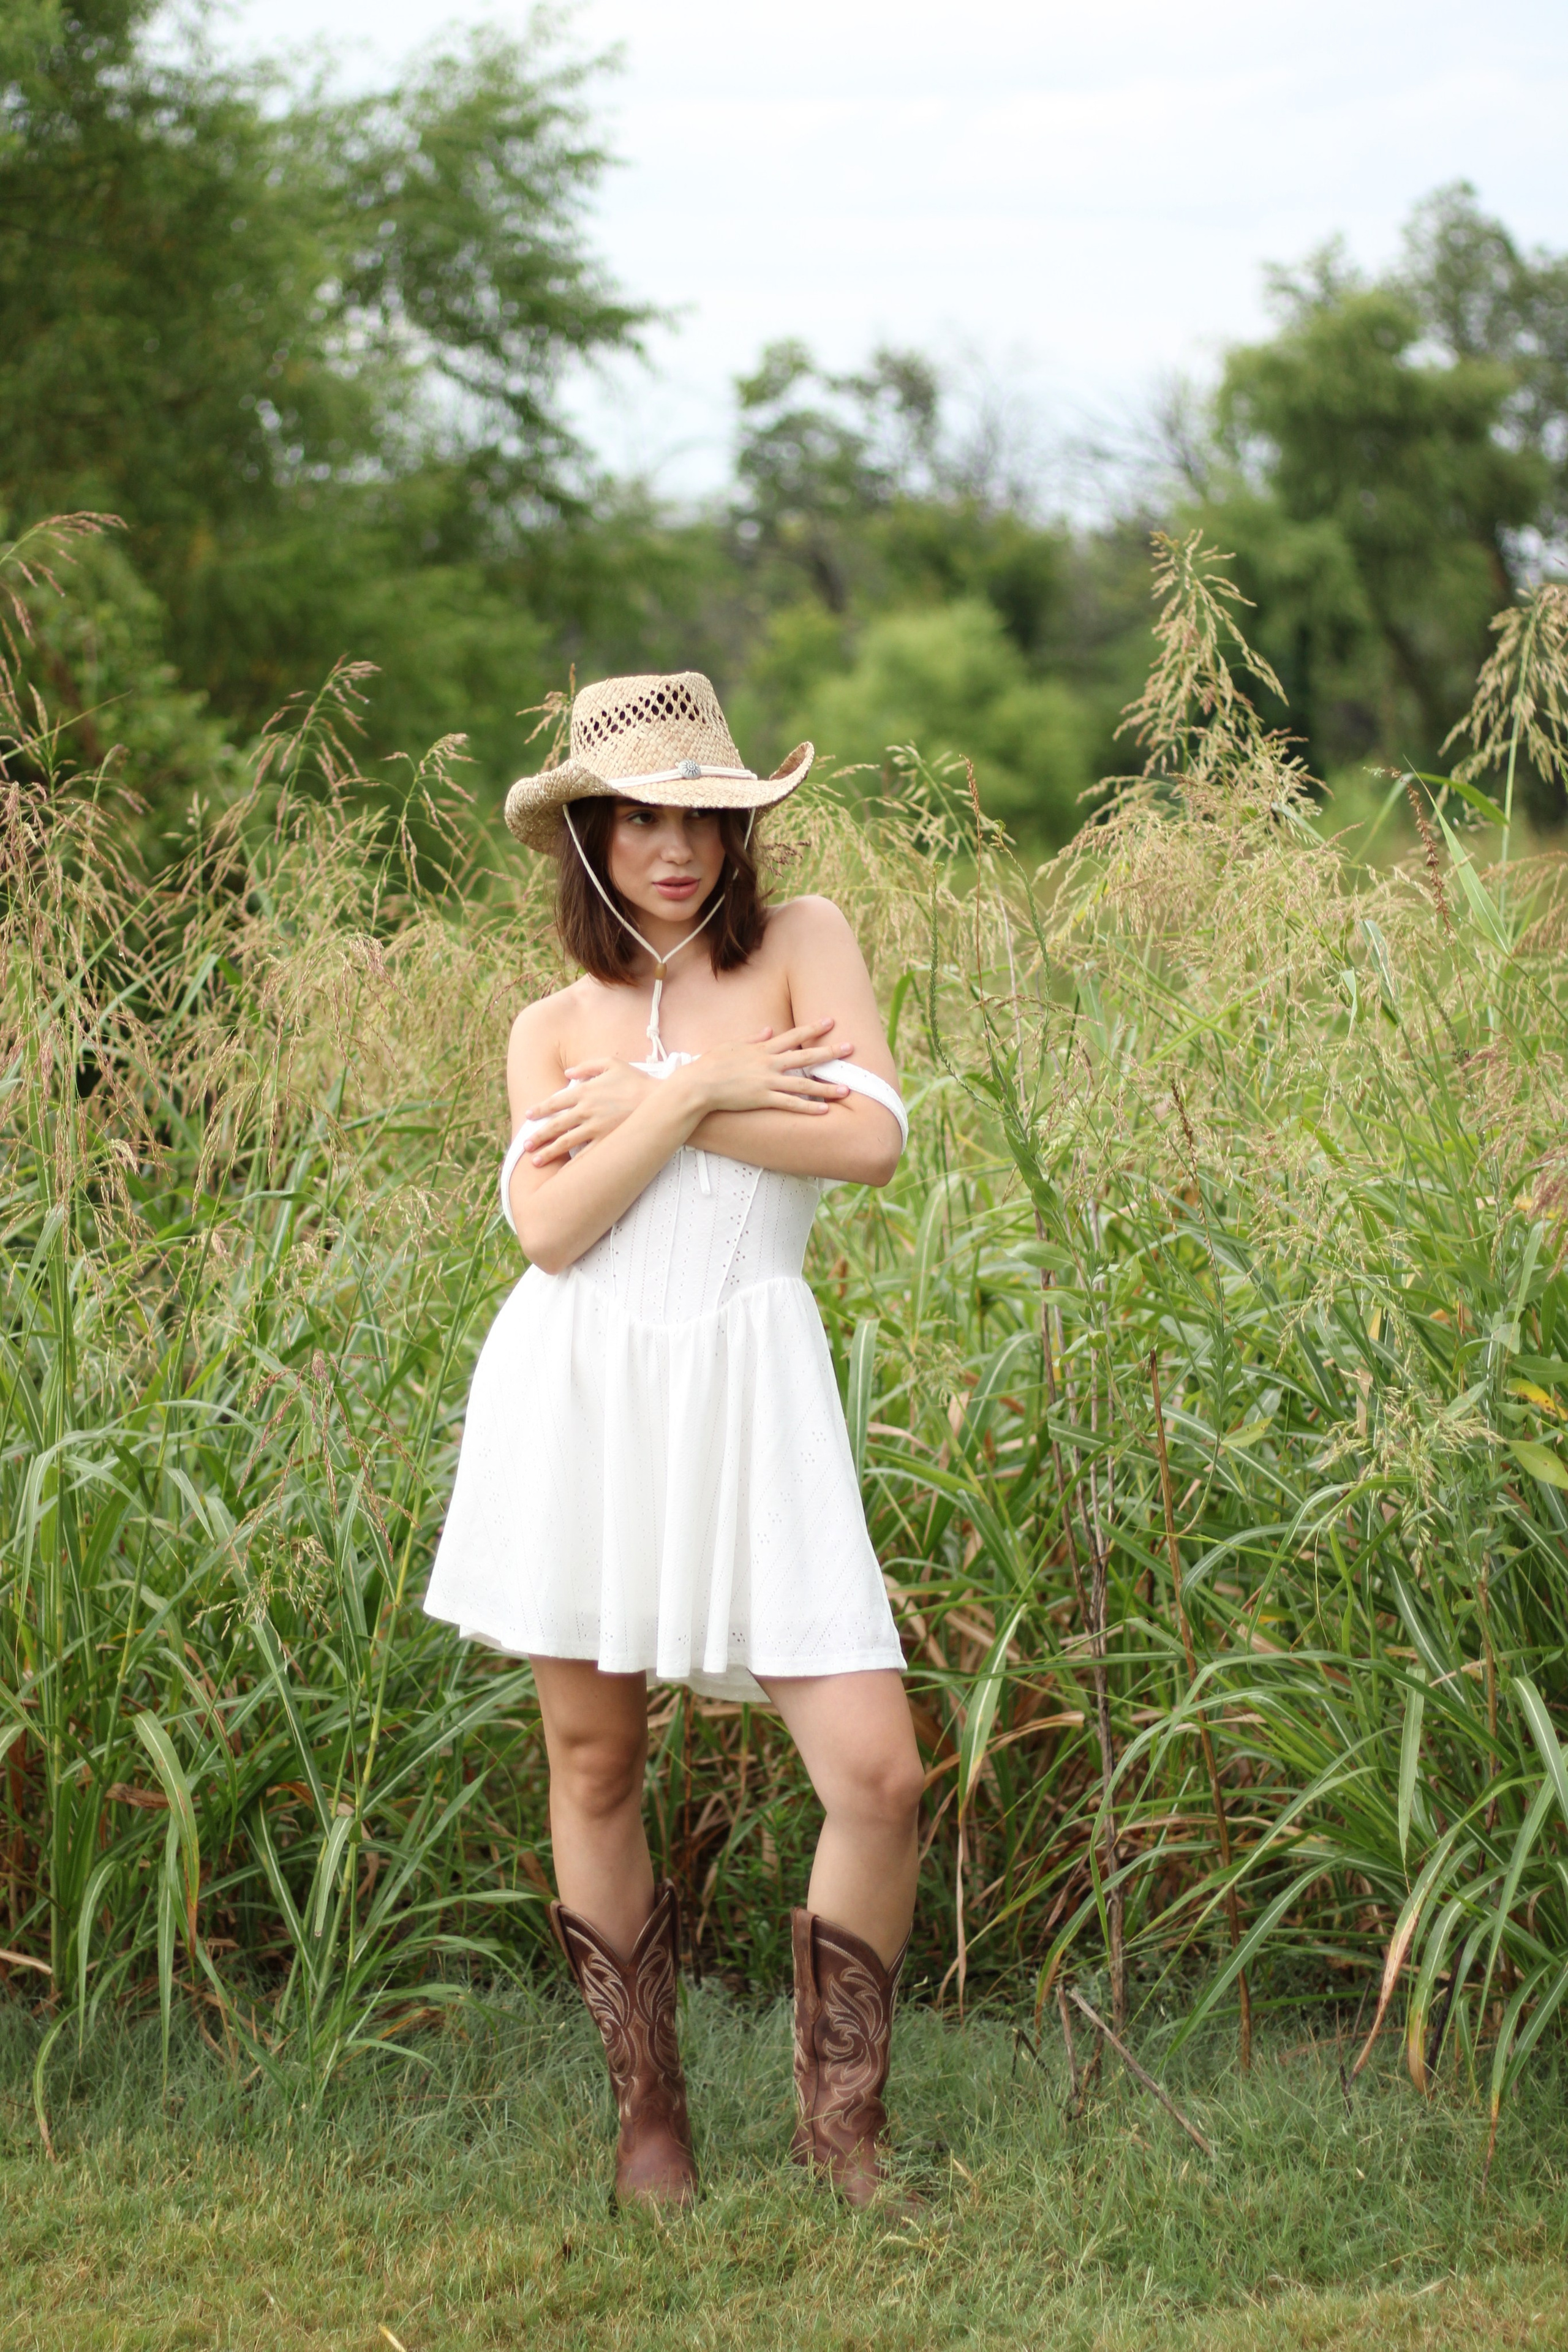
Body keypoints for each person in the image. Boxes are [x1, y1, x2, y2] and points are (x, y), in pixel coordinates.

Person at [424, 671, 923, 2211]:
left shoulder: (799, 944)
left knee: (878, 1775)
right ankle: (648, 2117)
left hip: (751, 1389)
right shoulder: (545, 1026)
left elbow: (868, 1139)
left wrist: (657, 1103)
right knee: (595, 1755)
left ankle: (840, 2135)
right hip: (580, 1396)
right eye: (639, 816)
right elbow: (552, 1229)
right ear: (586, 831)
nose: (675, 846)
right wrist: (708, 1082)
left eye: (703, 816)